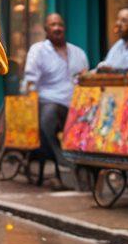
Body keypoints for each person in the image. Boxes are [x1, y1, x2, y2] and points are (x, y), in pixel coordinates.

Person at [23, 13, 89, 184]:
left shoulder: (78, 53)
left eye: (60, 24)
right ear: (46, 29)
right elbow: (30, 81)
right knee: (48, 115)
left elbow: (85, 81)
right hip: (48, 103)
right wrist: (26, 98)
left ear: (64, 28)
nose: (57, 28)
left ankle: (87, 165)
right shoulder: (38, 51)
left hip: (74, 105)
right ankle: (63, 160)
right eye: (52, 25)